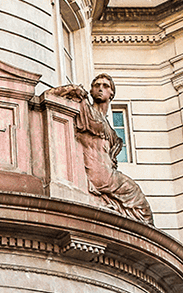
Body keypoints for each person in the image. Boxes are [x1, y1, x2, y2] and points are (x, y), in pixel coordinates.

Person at [48, 74, 153, 224]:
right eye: (96, 85)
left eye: (105, 86)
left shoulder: (110, 129)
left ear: (112, 93)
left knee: (141, 210)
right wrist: (71, 88)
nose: (100, 88)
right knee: (141, 205)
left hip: (108, 173)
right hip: (99, 175)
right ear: (90, 91)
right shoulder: (85, 109)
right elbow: (50, 95)